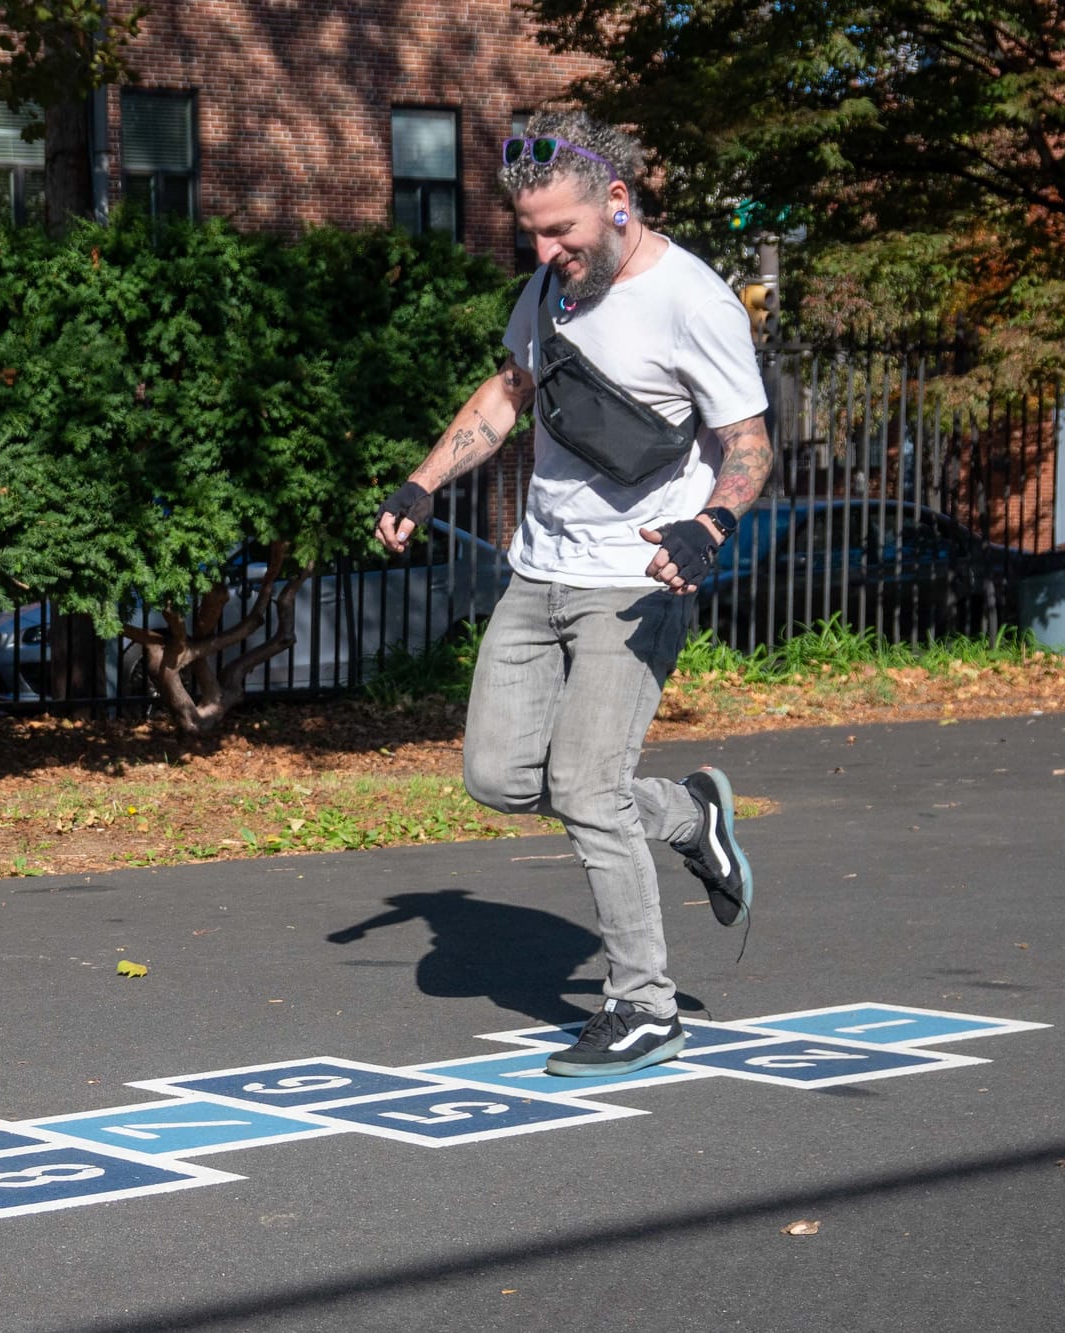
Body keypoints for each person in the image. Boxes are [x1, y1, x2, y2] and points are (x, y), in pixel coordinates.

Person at [373, 110, 773, 1077]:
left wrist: (708, 524)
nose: (549, 251)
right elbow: (508, 392)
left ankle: (643, 1005)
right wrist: (425, 482)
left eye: (564, 233)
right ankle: (688, 816)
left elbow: (750, 443)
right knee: (501, 779)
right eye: (535, 236)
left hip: (634, 584)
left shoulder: (693, 302)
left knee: (587, 787)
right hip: (537, 568)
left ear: (619, 202)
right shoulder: (549, 292)